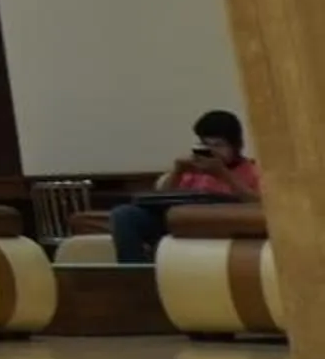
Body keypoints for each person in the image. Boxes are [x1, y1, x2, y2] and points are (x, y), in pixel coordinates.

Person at [110, 111, 261, 265]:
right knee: (124, 214)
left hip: (222, 227)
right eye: (206, 144)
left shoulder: (252, 170)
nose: (212, 151)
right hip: (183, 224)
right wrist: (178, 171)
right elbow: (160, 198)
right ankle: (135, 272)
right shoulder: (194, 169)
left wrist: (224, 174)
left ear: (237, 146)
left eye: (218, 145)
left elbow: (258, 204)